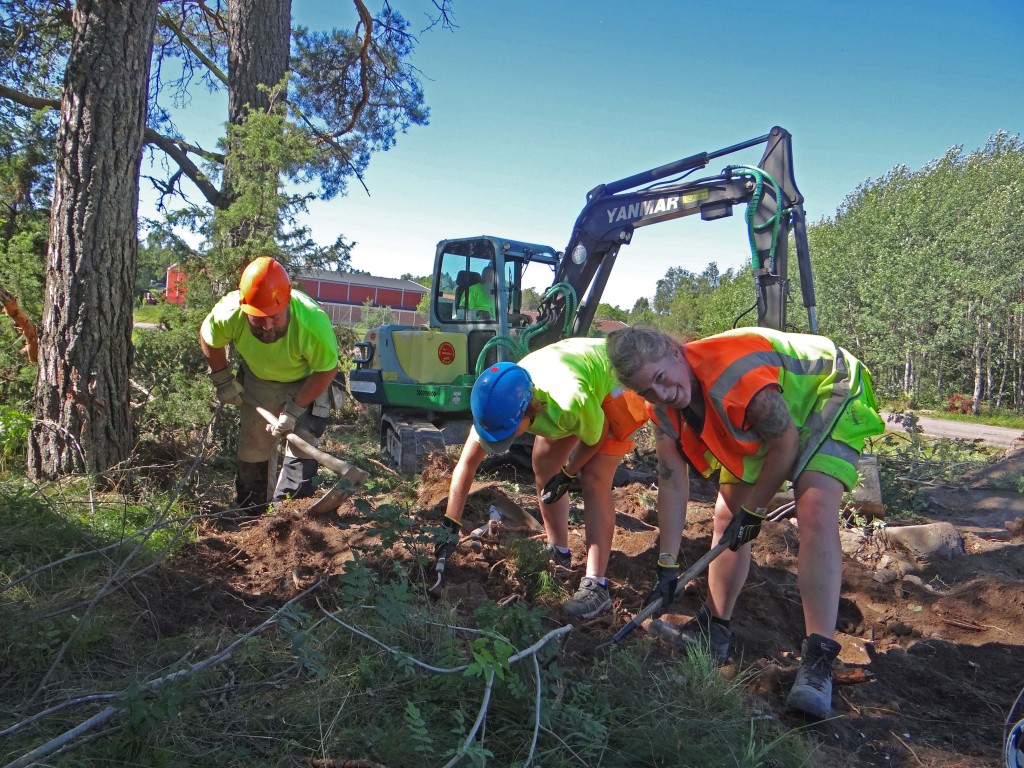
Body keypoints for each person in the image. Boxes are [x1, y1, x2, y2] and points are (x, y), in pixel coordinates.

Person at [605, 325, 884, 719]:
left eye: (662, 379)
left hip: (827, 391)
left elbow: (784, 442)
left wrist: (755, 512)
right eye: (647, 391)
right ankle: (713, 630)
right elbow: (670, 479)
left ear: (673, 351)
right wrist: (666, 563)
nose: (662, 394)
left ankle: (818, 661)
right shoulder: (665, 409)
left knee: (814, 507)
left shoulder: (730, 373)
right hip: (769, 412)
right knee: (725, 515)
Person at [435, 337, 649, 619]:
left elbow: (597, 436)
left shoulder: (569, 403)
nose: (506, 440)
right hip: (577, 377)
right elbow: (466, 463)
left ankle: (596, 586)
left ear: (528, 411)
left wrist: (568, 473)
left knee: (595, 477)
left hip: (615, 383)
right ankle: (559, 552)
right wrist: (450, 524)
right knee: (544, 462)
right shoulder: (496, 405)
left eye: (509, 433)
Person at [200, 256, 340, 517]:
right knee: (253, 448)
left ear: (287, 303)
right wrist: (222, 380)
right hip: (258, 379)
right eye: (256, 318)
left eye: (274, 317)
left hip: (306, 381)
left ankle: (288, 518)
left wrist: (294, 411)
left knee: (303, 446)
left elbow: (326, 369)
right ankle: (252, 518)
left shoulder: (311, 321)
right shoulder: (230, 312)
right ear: (244, 306)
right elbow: (209, 338)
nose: (266, 326)